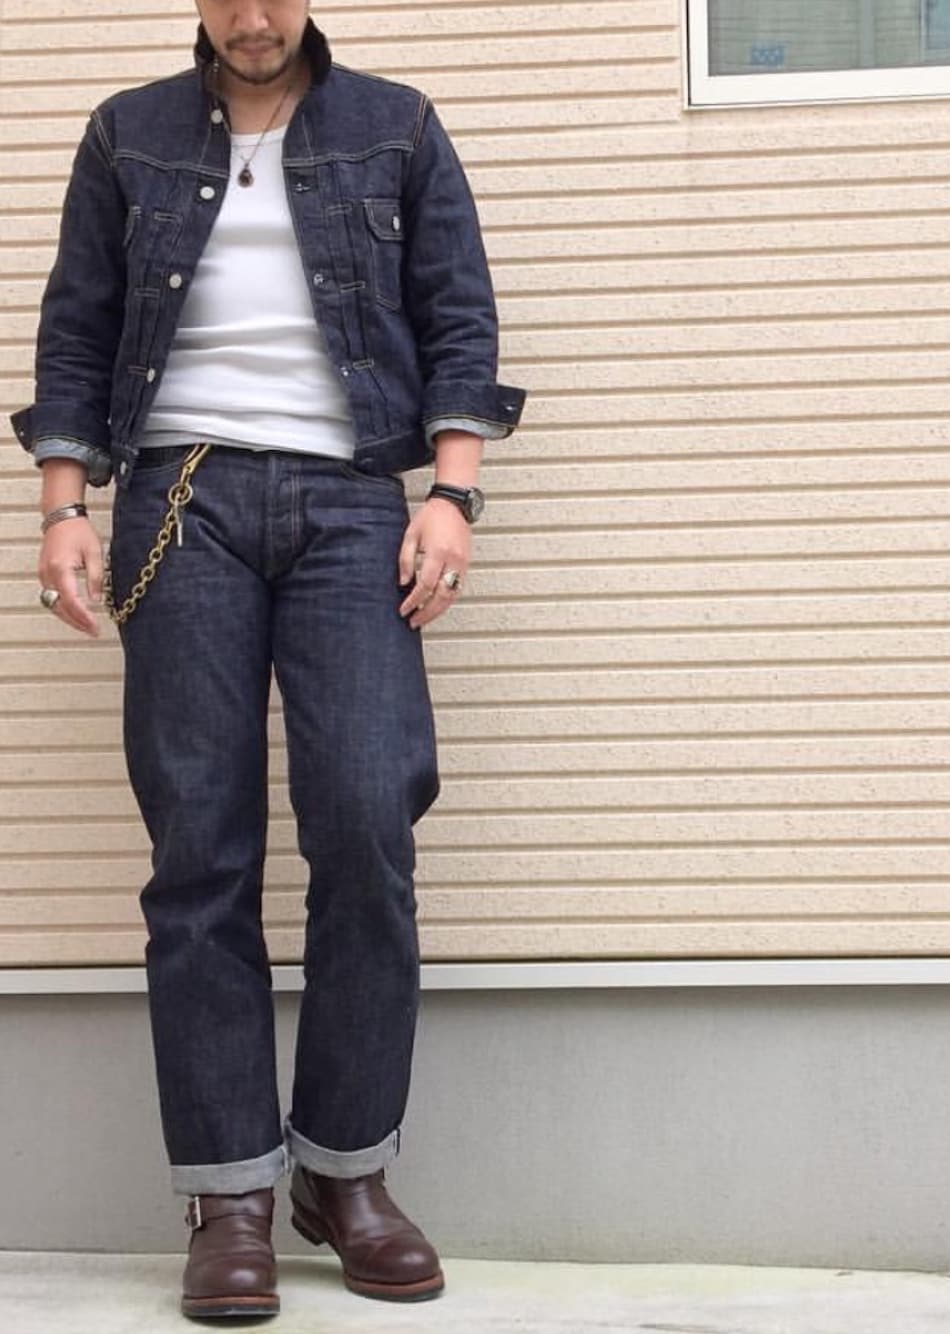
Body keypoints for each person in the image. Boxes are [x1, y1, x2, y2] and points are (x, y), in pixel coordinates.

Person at [12, 0, 525, 1320]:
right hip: (178, 498)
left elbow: (458, 313)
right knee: (201, 845)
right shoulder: (126, 134)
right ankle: (229, 1192)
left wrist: (451, 494)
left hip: (353, 500)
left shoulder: (394, 125)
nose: (252, 17)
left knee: (366, 818)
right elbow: (77, 326)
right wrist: (64, 506)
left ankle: (345, 1172)